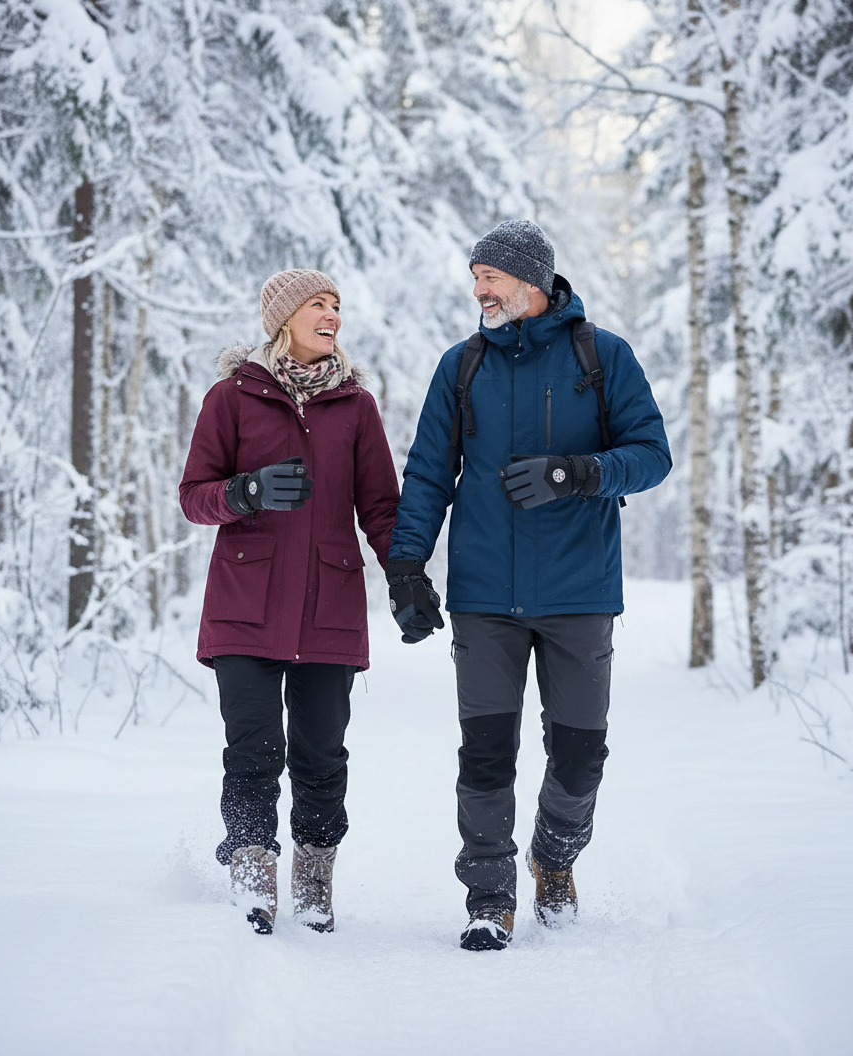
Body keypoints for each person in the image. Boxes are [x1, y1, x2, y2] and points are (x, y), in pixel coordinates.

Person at [385, 221, 671, 951]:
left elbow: (651, 455)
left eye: (491, 276)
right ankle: (489, 896)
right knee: (485, 754)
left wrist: (578, 474)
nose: (479, 289)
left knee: (579, 756)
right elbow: (426, 475)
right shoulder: (462, 367)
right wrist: (408, 566)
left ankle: (554, 856)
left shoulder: (601, 357)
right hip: (484, 597)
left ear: (533, 281)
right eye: (474, 276)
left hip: (580, 593)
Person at [180, 269, 400, 935]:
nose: (332, 314)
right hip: (245, 604)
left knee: (321, 752)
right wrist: (244, 494)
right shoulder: (232, 398)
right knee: (252, 748)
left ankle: (313, 871)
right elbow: (195, 495)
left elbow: (382, 508)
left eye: (336, 305)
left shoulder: (356, 406)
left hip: (328, 605)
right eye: (317, 304)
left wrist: (406, 578)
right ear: (283, 317)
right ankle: (252, 866)